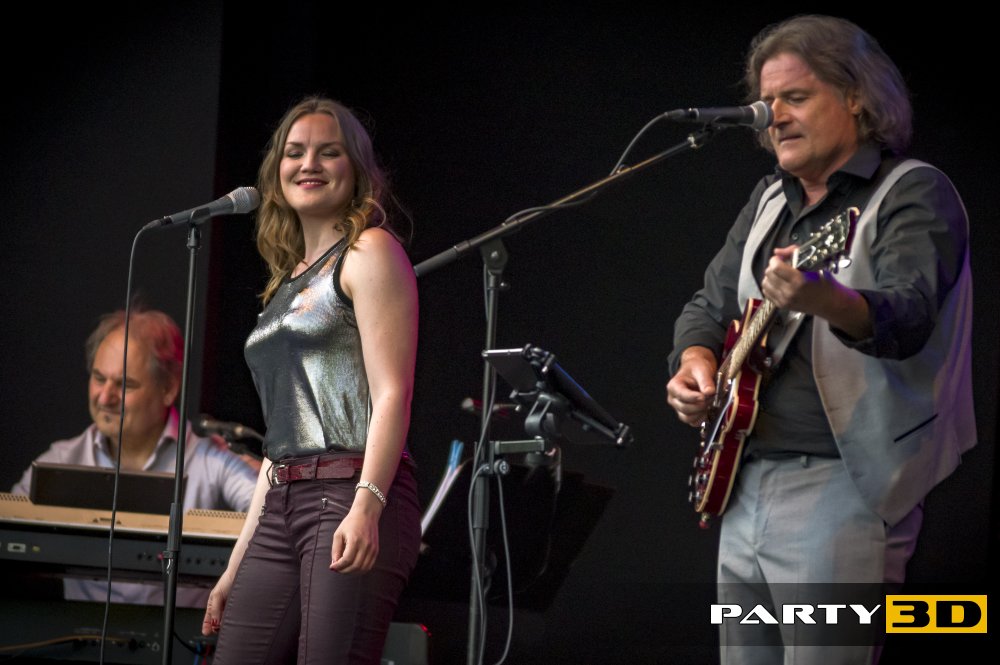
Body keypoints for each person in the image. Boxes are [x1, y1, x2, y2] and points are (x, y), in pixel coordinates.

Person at [664, 14, 975, 664]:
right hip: (743, 483)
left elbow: (909, 317)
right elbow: (709, 304)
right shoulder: (768, 201)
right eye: (766, 102)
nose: (773, 117)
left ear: (856, 97)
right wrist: (695, 361)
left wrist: (822, 298)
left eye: (795, 97)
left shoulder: (913, 191)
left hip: (843, 487)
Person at [201, 95, 422, 664]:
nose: (309, 164)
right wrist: (234, 566)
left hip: (350, 488)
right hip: (281, 500)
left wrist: (368, 505)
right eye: (295, 152)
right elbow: (280, 441)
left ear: (357, 169)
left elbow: (392, 393)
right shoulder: (282, 285)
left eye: (329, 152)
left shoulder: (369, 251)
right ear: (277, 171)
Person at [11, 307, 259, 607]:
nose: (105, 397)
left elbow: (269, 515)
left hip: (186, 638)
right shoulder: (61, 458)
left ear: (169, 388)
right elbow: (10, 531)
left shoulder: (212, 459)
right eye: (99, 378)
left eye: (124, 384)